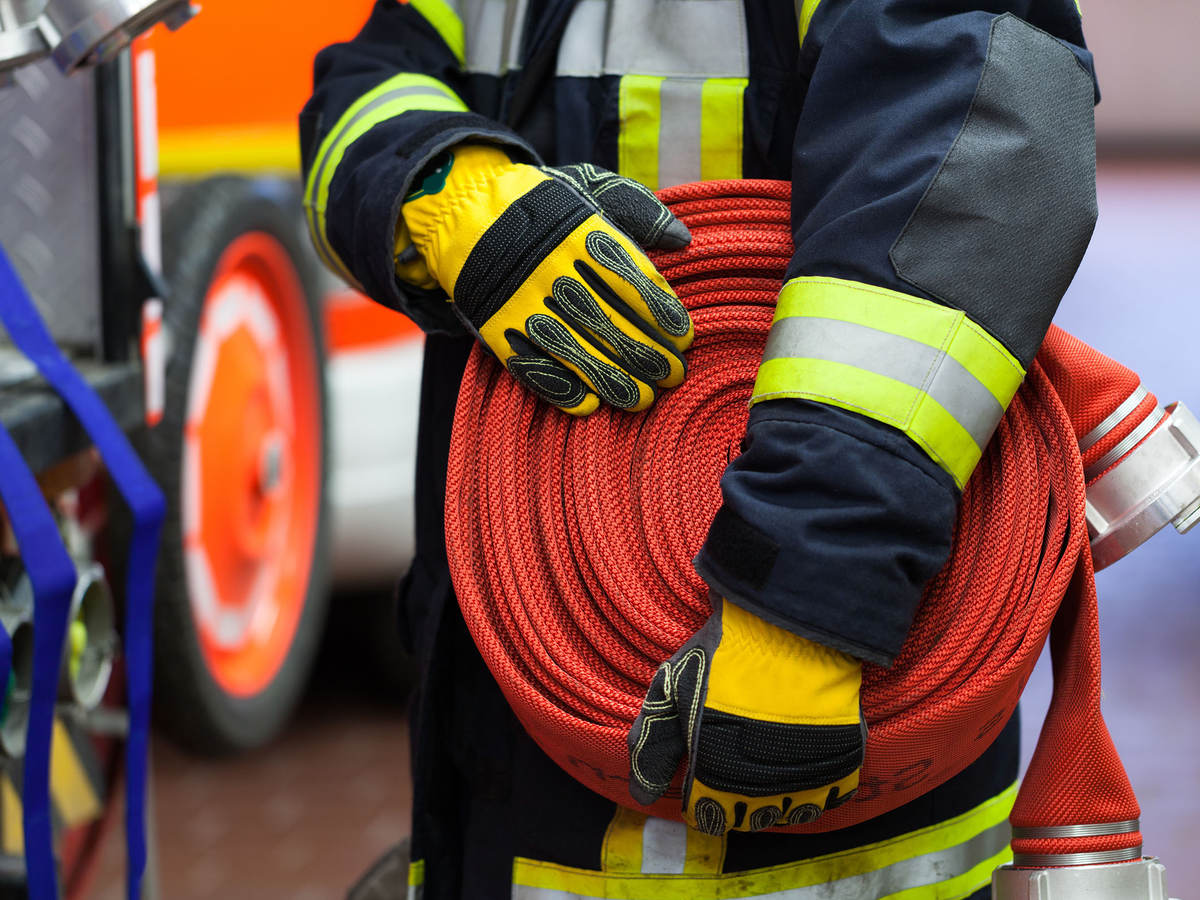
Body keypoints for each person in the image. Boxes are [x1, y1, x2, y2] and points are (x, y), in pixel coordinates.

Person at [299, 1, 1098, 896]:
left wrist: (804, 598)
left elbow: (972, 180)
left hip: (829, 764)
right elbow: (355, 95)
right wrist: (449, 184)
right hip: (507, 765)